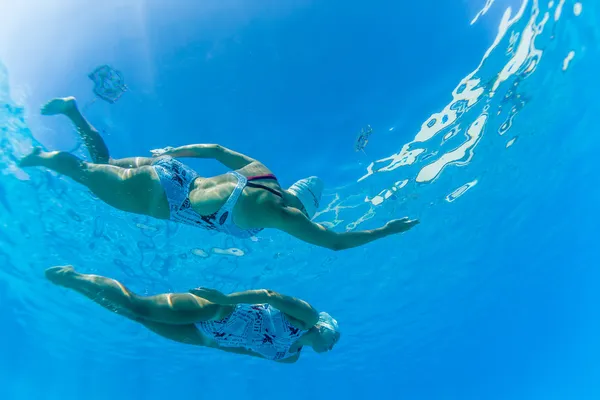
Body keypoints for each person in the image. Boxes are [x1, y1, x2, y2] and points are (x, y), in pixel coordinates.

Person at [20, 97, 419, 250]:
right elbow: (333, 243)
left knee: (100, 168)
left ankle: (74, 112)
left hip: (175, 170)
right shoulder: (282, 214)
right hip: (167, 198)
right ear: (307, 210)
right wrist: (387, 230)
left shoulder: (264, 173)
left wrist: (171, 151)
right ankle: (38, 157)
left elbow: (216, 150)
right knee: (84, 175)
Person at [45, 265, 340, 363]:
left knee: (135, 317)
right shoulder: (308, 317)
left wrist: (210, 343)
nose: (332, 347)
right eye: (335, 339)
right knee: (137, 305)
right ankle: (75, 277)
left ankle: (76, 286)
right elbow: (269, 296)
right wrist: (224, 298)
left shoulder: (289, 358)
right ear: (325, 328)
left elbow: (247, 350)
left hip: (207, 335)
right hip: (218, 310)